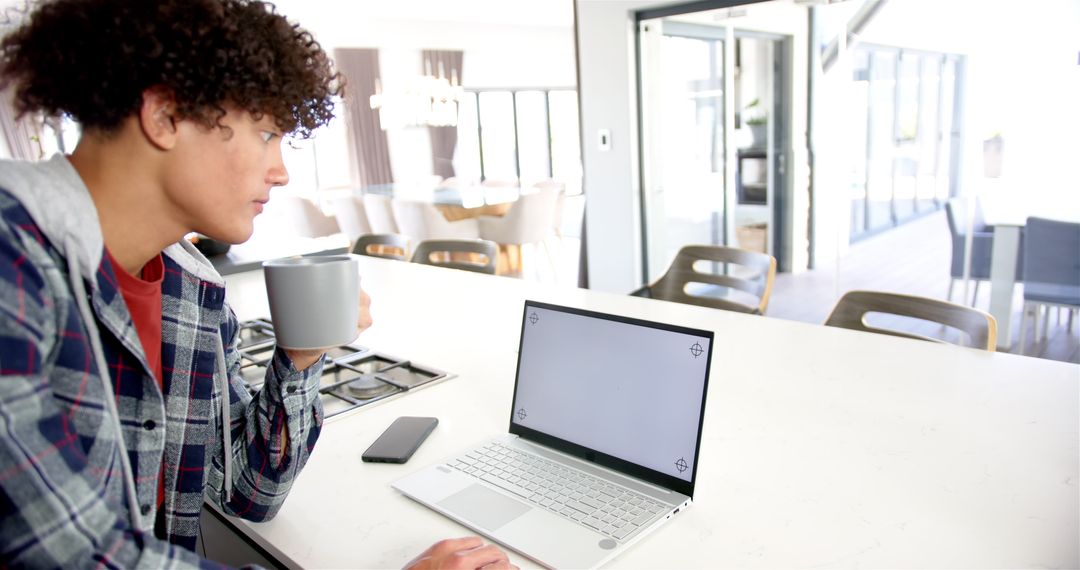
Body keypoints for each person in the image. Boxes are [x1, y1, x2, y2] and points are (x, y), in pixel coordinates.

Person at [0, 1, 513, 568]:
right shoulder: (12, 261)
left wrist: (299, 356)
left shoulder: (190, 290)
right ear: (166, 115)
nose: (282, 170)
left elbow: (248, 490)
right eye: (267, 133)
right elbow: (68, 556)